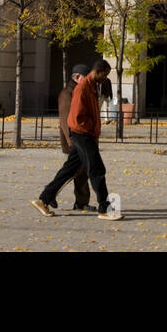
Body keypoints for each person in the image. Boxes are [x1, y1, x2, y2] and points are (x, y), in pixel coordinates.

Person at [31, 59, 122, 220]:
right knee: (97, 169)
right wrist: (88, 131)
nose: (105, 78)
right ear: (98, 71)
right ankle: (105, 209)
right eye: (105, 74)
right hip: (83, 135)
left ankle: (43, 199)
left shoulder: (91, 87)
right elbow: (75, 117)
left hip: (85, 134)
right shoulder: (83, 88)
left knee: (69, 170)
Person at [57, 64, 92, 211]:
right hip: (75, 142)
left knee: (81, 172)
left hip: (81, 140)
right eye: (86, 78)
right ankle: (48, 196)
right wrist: (72, 143)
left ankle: (81, 202)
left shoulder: (79, 91)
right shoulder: (67, 94)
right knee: (74, 172)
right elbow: (66, 122)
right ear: (77, 77)